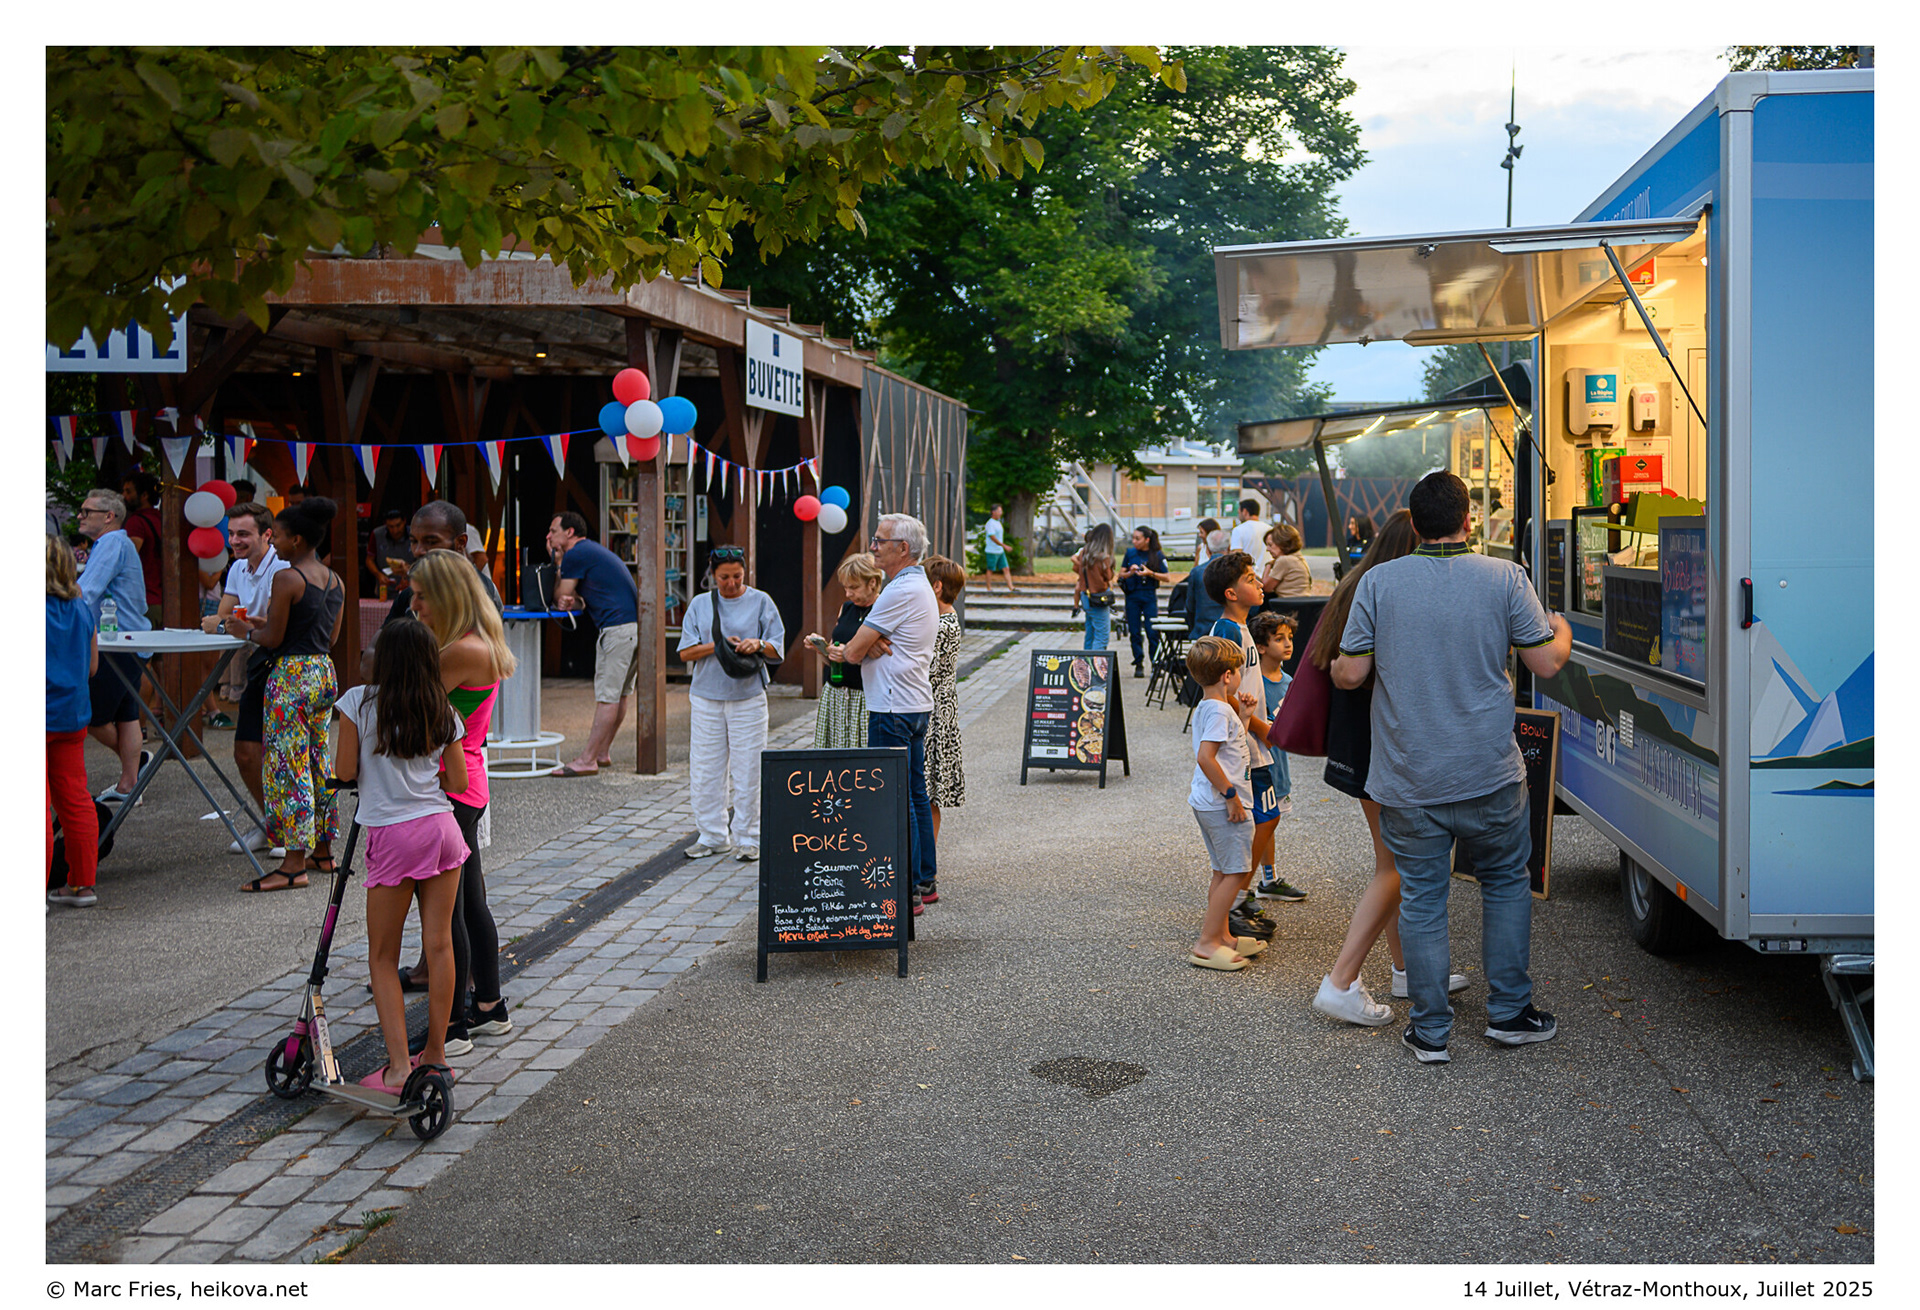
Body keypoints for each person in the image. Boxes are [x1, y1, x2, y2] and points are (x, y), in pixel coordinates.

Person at [1331, 474, 1572, 1063]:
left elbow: (1351, 674)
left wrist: (1341, 663)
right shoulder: (1505, 577)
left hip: (1409, 778)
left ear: (1414, 524)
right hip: (1491, 773)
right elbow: (1545, 663)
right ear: (1469, 520)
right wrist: (1562, 631)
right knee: (1506, 884)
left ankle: (1431, 1032)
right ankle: (1510, 1014)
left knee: (1422, 897)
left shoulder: (1379, 582)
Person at [1307, 510, 1443, 1027]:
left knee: (1391, 861)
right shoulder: (1392, 593)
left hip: (1355, 743)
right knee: (1397, 866)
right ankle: (1341, 982)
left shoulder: (1354, 586)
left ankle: (1406, 969)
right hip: (1381, 745)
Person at [334, 617, 470, 1094]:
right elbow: (459, 782)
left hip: (392, 835)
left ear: (384, 661)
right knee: (440, 945)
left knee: (382, 956)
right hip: (441, 831)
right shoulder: (442, 710)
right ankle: (435, 1054)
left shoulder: (357, 703)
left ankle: (396, 1068)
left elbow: (344, 770)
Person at [401, 549, 518, 1051]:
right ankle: (488, 1006)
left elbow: (405, 706)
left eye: (422, 596)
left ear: (447, 596)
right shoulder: (476, 639)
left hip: (450, 786)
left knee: (446, 913)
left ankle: (451, 1027)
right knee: (469, 903)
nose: (414, 606)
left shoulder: (458, 650)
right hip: (464, 782)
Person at [233, 497, 343, 892]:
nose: (274, 542)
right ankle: (323, 850)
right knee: (317, 761)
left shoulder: (287, 578)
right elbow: (330, 637)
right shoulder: (335, 580)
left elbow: (273, 638)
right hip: (322, 672)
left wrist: (245, 630)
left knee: (286, 765)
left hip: (291, 678)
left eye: (277, 536)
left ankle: (293, 864)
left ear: (296, 539)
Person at [840, 513, 940, 912]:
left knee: (893, 799)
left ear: (903, 548)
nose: (873, 547)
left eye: (879, 541)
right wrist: (872, 642)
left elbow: (851, 652)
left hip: (892, 706)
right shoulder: (916, 584)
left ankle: (907, 889)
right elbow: (864, 644)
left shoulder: (899, 590)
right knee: (915, 793)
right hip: (912, 702)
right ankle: (924, 879)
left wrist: (866, 644)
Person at [676, 545, 785, 860]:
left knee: (749, 769)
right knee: (705, 770)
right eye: (724, 577)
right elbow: (685, 652)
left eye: (737, 576)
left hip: (748, 696)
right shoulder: (700, 604)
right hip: (706, 696)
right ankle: (712, 835)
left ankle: (749, 838)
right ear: (712, 575)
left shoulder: (761, 601)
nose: (732, 583)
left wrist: (758, 644)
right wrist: (719, 646)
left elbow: (777, 648)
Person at [1202, 549, 1286, 928]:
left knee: (1268, 816)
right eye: (1251, 579)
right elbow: (1222, 688)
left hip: (1253, 738)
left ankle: (1240, 895)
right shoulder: (1227, 631)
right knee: (1262, 818)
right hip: (1244, 744)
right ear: (1231, 593)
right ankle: (1234, 900)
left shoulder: (1243, 628)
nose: (1260, 582)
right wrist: (1263, 728)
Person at [205, 503, 288, 856]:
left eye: (243, 534)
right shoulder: (238, 567)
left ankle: (290, 832)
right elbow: (222, 618)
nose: (234, 541)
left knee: (283, 753)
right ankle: (271, 824)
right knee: (246, 752)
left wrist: (236, 623)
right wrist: (236, 623)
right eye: (231, 533)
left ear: (267, 535)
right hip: (258, 661)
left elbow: (269, 626)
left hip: (285, 665)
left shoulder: (282, 568)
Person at [1183, 635, 1269, 972]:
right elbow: (1207, 758)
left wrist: (1244, 717)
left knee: (1222, 871)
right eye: (1238, 673)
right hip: (1224, 805)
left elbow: (1231, 747)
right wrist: (1231, 797)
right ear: (1227, 676)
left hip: (1208, 802)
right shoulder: (1220, 710)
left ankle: (1223, 936)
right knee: (1236, 872)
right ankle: (1206, 944)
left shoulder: (1210, 707)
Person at [547, 511, 641, 776]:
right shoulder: (591, 551)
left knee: (607, 697)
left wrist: (556, 561)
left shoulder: (575, 554)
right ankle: (602, 752)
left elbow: (560, 595)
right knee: (619, 694)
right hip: (633, 628)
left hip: (616, 630)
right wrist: (573, 600)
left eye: (553, 531)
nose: (549, 536)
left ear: (569, 532)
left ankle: (587, 759)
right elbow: (579, 600)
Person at [76, 490, 152, 804]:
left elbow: (85, 592)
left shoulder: (110, 543)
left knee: (91, 716)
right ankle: (130, 782)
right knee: (126, 715)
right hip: (129, 640)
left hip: (115, 642)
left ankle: (138, 766)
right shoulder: (115, 543)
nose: (80, 516)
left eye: (86, 511)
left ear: (109, 517)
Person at [47, 534, 100, 908]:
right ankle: (82, 883)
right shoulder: (82, 609)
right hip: (72, 715)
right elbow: (92, 667)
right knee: (76, 800)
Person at [1248, 611, 1310, 902]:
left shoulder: (1289, 682)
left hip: (1279, 767)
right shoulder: (1252, 684)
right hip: (1257, 768)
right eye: (1279, 639)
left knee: (1270, 823)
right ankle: (1239, 889)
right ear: (1261, 646)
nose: (1288, 644)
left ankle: (1268, 880)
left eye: (1290, 638)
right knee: (1259, 825)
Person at [808, 553, 885, 749]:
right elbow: (834, 657)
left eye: (854, 587)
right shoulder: (847, 608)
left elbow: (885, 659)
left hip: (864, 697)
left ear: (872, 583)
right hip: (836, 695)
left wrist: (851, 656)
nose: (848, 594)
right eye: (845, 588)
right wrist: (822, 649)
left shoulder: (883, 610)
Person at [922, 555, 967, 863]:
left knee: (928, 791)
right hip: (939, 707)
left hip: (935, 711)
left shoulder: (943, 625)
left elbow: (928, 670)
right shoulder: (943, 620)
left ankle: (928, 858)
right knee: (927, 789)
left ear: (936, 587)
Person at [1120, 526, 1172, 679]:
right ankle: (1138, 663)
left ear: (1147, 540)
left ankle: (1156, 664)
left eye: (1138, 538)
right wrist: (1130, 572)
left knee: (1152, 631)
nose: (1134, 541)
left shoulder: (1157, 554)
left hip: (1149, 595)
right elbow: (1120, 574)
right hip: (1133, 596)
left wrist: (1150, 573)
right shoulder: (1130, 553)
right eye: (1133, 538)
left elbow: (1167, 577)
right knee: (1134, 631)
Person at [121, 470, 166, 629]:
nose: (124, 496)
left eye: (129, 491)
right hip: (164, 600)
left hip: (144, 601)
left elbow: (128, 560)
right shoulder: (162, 518)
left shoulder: (136, 522)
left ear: (144, 495)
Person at [1070, 523, 1116, 651]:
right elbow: (1108, 577)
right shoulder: (1103, 557)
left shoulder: (1085, 552)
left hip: (1085, 595)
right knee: (1102, 636)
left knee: (1090, 634)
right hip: (1098, 597)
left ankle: (1087, 660)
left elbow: (1076, 568)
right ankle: (1096, 661)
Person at [1180, 529, 1231, 635]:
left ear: (1207, 549)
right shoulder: (1238, 571)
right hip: (1230, 630)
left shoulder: (1197, 572)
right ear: (1229, 548)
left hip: (1202, 630)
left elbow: (1190, 605)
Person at [367, 508, 412, 595]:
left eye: (398, 525)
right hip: (385, 588)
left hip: (410, 587)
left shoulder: (414, 534)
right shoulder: (377, 534)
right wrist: (378, 575)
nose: (395, 530)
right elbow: (369, 560)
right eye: (391, 527)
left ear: (404, 521)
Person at [1261, 523, 1313, 598]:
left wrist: (1268, 565)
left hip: (1287, 602)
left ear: (1282, 543)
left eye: (1270, 545)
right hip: (1300, 600)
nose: (1267, 549)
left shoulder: (1284, 560)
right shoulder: (1298, 558)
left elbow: (1266, 587)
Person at [982, 504, 1018, 594]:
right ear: (993, 512)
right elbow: (992, 537)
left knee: (1006, 568)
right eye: (999, 511)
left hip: (1000, 551)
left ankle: (1011, 587)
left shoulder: (998, 522)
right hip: (992, 551)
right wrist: (1004, 545)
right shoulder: (990, 523)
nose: (1001, 513)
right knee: (990, 570)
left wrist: (1002, 547)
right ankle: (989, 588)